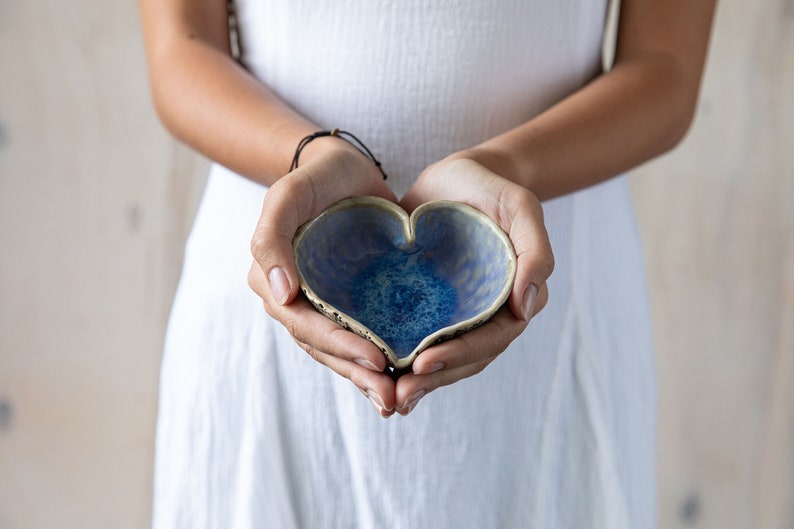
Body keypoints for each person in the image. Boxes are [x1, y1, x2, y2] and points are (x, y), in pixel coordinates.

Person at [140, 0, 715, 527]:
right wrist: (309, 154)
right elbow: (182, 52)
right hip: (277, 289)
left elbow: (666, 68)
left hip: (550, 309)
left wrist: (507, 164)